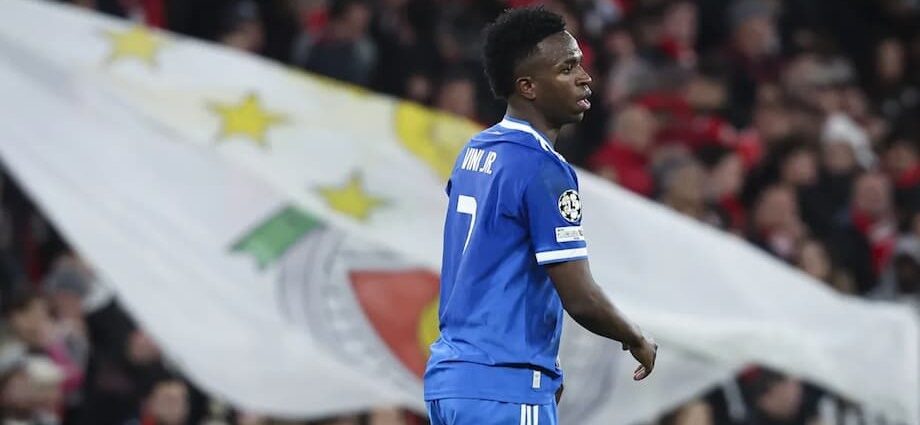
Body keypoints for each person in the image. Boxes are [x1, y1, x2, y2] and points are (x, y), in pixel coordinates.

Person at [424, 7, 658, 425]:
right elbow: (581, 298)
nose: (585, 77)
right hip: (505, 384)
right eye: (567, 68)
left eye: (580, 63)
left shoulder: (475, 151)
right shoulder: (543, 168)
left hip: (453, 380)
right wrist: (635, 336)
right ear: (528, 86)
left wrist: (545, 365)